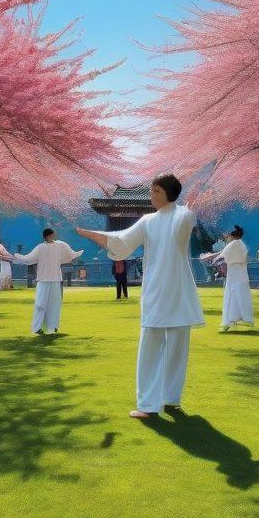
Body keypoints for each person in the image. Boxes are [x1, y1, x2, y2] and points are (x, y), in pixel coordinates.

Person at [76, 173, 204, 420]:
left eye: (156, 191)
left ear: (169, 193)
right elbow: (123, 241)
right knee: (151, 344)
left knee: (178, 346)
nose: (152, 195)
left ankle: (170, 398)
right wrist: (94, 234)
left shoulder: (183, 215)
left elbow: (182, 226)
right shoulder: (148, 220)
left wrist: (189, 210)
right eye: (152, 190)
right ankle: (147, 403)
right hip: (156, 289)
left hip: (177, 290)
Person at [0, 229, 83, 334]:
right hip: (43, 279)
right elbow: (28, 259)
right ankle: (37, 328)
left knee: (55, 304)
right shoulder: (40, 248)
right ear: (47, 236)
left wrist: (75, 254)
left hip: (55, 279)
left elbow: (69, 254)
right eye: (51, 235)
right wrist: (17, 257)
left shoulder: (60, 245)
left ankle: (53, 326)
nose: (52, 236)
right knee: (40, 304)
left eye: (53, 235)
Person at [210, 226, 253, 331]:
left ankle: (229, 320)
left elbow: (222, 255)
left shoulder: (234, 244)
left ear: (233, 236)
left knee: (231, 295)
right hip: (240, 272)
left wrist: (209, 257)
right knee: (239, 294)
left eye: (229, 236)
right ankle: (235, 318)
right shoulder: (242, 244)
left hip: (234, 272)